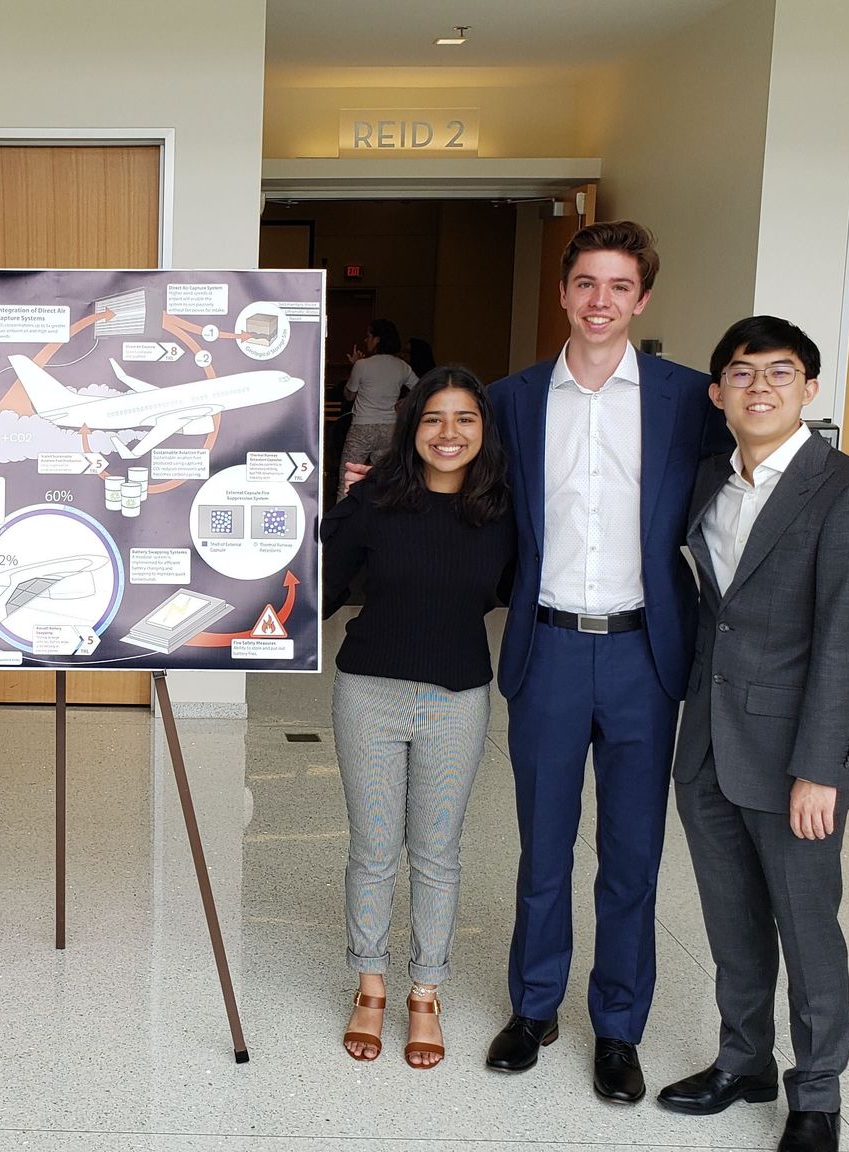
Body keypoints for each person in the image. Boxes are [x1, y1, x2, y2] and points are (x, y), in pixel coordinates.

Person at [480, 221, 730, 1103]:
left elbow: (759, 457)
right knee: (541, 846)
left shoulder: (685, 397)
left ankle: (618, 1028)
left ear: (643, 299)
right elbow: (464, 487)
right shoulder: (512, 399)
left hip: (643, 653)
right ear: (563, 293)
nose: (599, 302)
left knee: (632, 855)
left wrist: (836, 467)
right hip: (546, 646)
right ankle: (535, 1006)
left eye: (619, 287)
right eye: (585, 283)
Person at [657, 317, 849, 1152]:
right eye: (743, 373)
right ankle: (743, 1061)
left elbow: (846, 641)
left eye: (781, 373)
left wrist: (820, 769)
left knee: (805, 924)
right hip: (708, 744)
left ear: (810, 389)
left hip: (796, 757)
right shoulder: (705, 484)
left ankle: (817, 1093)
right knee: (731, 918)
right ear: (717, 392)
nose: (761, 387)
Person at [323, 367, 514, 1069]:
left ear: (484, 432)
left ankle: (425, 993)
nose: (449, 433)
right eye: (434, 418)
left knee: (436, 855)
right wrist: (340, 506)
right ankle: (370, 985)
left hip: (457, 698)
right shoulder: (376, 498)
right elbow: (322, 584)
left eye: (466, 419)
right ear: (413, 427)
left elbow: (525, 591)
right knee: (374, 850)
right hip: (369, 690)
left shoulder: (502, 511)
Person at [338, 319, 416, 496]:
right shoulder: (402, 366)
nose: (366, 340)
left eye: (369, 336)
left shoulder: (362, 365)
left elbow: (349, 395)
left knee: (347, 480)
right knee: (387, 481)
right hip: (390, 429)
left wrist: (354, 368)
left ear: (377, 339)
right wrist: (405, 401)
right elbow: (422, 388)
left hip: (362, 428)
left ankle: (342, 521)